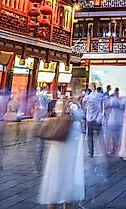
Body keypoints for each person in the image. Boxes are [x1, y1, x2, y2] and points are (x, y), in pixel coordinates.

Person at [38, 80, 85, 209]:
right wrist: (73, 106)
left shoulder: (62, 102)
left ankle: (56, 202)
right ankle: (64, 203)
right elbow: (74, 117)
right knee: (66, 172)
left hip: (63, 141)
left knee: (58, 171)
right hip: (68, 140)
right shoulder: (71, 104)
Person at [84, 83, 104, 157]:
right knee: (99, 135)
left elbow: (83, 102)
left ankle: (91, 152)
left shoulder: (88, 96)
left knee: (90, 136)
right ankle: (102, 151)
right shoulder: (99, 95)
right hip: (97, 118)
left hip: (90, 118)